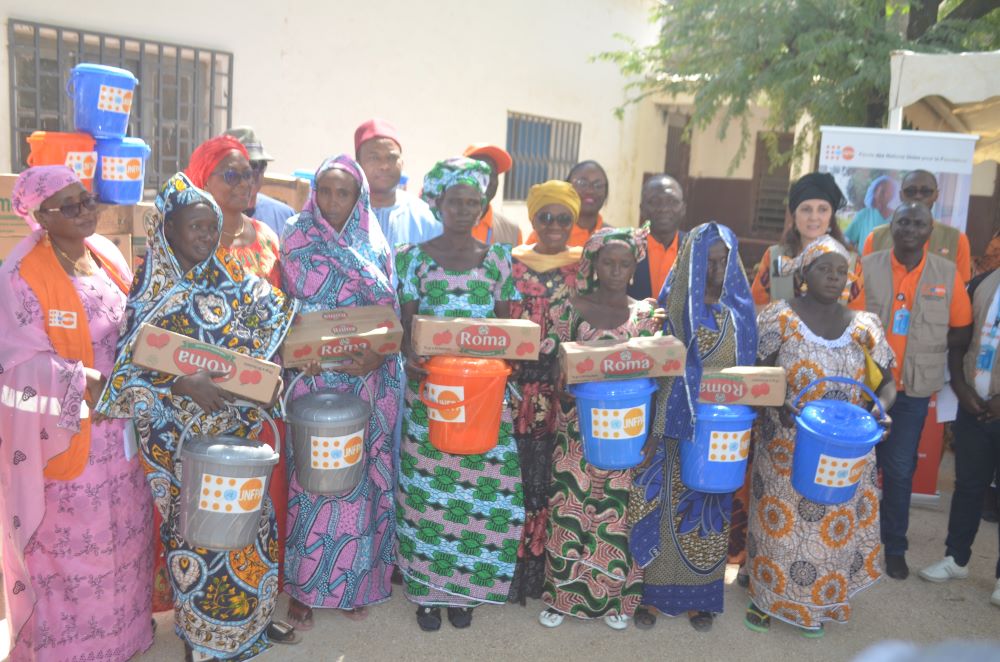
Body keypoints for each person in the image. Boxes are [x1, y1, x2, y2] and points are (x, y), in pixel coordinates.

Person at [96, 172, 298, 660]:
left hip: (238, 431)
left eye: (212, 228)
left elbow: (274, 322)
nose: (207, 237)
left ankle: (250, 624)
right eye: (196, 227)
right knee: (200, 536)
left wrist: (265, 366)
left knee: (251, 527)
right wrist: (181, 383)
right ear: (167, 229)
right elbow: (126, 372)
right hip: (181, 444)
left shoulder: (231, 280)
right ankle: (202, 639)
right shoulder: (148, 291)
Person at [0, 166, 153, 660]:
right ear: (40, 217)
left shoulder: (105, 254)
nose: (86, 211)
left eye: (86, 200)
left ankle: (125, 640)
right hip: (67, 436)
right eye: (70, 206)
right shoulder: (20, 276)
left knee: (125, 538)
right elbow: (16, 363)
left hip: (120, 431)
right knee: (71, 551)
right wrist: (83, 383)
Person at [394, 157, 524, 632]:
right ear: (438, 203)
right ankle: (427, 595)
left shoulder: (499, 260)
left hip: (484, 398)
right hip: (432, 397)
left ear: (484, 205)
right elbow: (409, 329)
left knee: (483, 496)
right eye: (456, 201)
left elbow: (508, 332)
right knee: (427, 495)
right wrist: (415, 356)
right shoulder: (410, 256)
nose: (465, 209)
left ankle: (466, 591)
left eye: (474, 202)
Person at [745, 235, 896, 637]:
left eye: (841, 270)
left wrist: (881, 408)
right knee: (779, 528)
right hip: (786, 444)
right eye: (824, 269)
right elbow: (759, 374)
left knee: (831, 529)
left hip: (843, 450)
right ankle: (765, 600)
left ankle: (818, 606)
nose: (834, 277)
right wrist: (779, 407)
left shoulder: (865, 325)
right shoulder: (779, 317)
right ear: (803, 276)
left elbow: (888, 382)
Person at [279, 155, 401, 628]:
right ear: (314, 193)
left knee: (355, 482)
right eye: (325, 191)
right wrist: (294, 350)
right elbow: (283, 305)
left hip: (362, 378)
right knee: (311, 482)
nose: (333, 201)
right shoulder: (294, 234)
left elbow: (389, 313)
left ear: (359, 197)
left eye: (343, 192)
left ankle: (355, 583)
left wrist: (378, 356)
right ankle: (307, 587)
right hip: (311, 378)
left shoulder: (373, 241)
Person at [629, 222, 757, 632]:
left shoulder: (740, 315)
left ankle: (700, 600)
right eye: (708, 260)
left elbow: (751, 377)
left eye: (724, 261)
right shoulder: (669, 312)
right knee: (663, 507)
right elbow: (656, 374)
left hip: (719, 434)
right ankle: (651, 597)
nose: (716, 270)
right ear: (691, 261)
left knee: (710, 511)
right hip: (670, 425)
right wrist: (653, 428)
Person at [540, 226, 661, 630]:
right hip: (577, 429)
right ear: (592, 263)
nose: (616, 269)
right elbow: (552, 362)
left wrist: (654, 434)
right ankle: (562, 598)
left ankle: (614, 601)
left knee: (618, 512)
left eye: (624, 263)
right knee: (569, 508)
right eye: (608, 261)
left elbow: (660, 375)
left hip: (627, 431)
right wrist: (563, 380)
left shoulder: (646, 315)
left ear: (633, 266)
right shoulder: (569, 309)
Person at [861, 202, 973, 580]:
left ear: (930, 230)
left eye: (918, 223)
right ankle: (849, 544)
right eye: (903, 221)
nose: (910, 228)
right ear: (891, 226)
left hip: (911, 392)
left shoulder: (946, 272)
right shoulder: (868, 265)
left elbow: (961, 328)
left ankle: (893, 546)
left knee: (897, 469)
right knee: (856, 467)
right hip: (865, 387)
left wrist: (931, 350)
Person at [507, 180, 583, 603]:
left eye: (563, 218)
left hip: (564, 393)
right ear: (532, 219)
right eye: (545, 216)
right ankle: (512, 575)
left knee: (556, 483)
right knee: (518, 481)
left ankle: (548, 577)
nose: (554, 225)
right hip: (518, 391)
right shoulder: (511, 263)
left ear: (575, 221)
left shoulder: (585, 266)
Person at [917, 265, 1000, 607]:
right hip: (973, 404)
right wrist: (962, 388)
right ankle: (957, 559)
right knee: (967, 486)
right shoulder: (982, 282)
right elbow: (960, 340)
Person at [750, 172, 858, 309]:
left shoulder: (851, 264)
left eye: (822, 210)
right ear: (795, 216)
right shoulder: (775, 258)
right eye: (806, 209)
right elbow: (756, 310)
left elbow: (857, 319)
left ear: (831, 218)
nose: (814, 217)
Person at [186, 135, 283, 287]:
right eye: (231, 176)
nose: (244, 183)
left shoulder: (267, 238)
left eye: (247, 174)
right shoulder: (187, 242)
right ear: (205, 182)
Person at [863, 170, 972, 283]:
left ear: (936, 195)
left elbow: (962, 285)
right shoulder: (875, 238)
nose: (918, 196)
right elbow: (864, 284)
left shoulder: (956, 240)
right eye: (910, 191)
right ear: (901, 195)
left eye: (926, 191)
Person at [355, 118, 441, 258]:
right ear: (357, 164)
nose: (384, 165)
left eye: (391, 157)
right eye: (374, 157)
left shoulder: (425, 217)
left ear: (402, 162)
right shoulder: (343, 215)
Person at [224, 126, 295, 237]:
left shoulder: (285, 216)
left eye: (260, 165)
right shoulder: (208, 218)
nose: (252, 173)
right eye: (248, 166)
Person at [628, 174, 687, 300]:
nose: (664, 209)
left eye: (672, 201)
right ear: (642, 209)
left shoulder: (695, 249)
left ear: (683, 209)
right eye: (655, 202)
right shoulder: (626, 247)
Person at [526, 160, 608, 248]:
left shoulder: (613, 236)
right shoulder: (547, 236)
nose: (590, 190)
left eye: (598, 185)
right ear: (567, 186)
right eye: (582, 183)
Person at [464, 142, 523, 246]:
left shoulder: (512, 232)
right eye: (480, 174)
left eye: (493, 174)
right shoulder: (435, 227)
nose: (488, 182)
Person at [844, 175, 898, 249]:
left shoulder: (897, 216)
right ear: (875, 192)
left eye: (890, 192)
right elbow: (848, 240)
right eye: (883, 191)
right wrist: (857, 255)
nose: (886, 195)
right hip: (865, 260)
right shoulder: (864, 215)